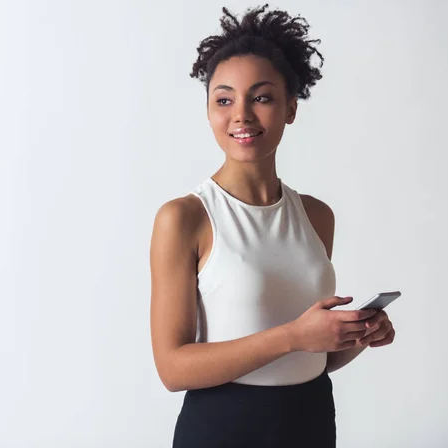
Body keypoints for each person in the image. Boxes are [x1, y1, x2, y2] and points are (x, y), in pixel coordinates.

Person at [149, 5, 396, 447]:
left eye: (261, 97)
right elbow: (172, 369)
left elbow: (309, 358)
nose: (241, 115)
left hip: (311, 421)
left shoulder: (317, 216)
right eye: (224, 100)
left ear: (290, 109)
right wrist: (293, 335)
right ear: (208, 112)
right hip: (223, 428)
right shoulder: (185, 218)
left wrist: (355, 336)